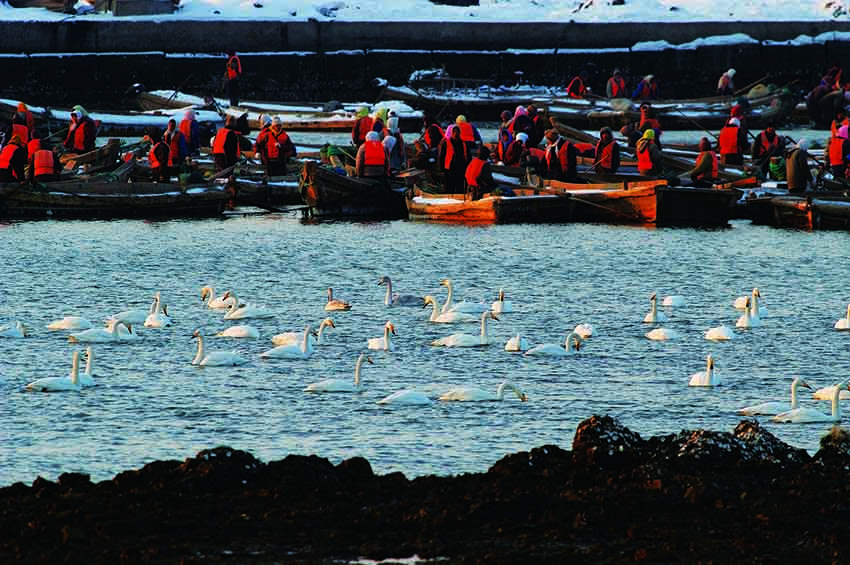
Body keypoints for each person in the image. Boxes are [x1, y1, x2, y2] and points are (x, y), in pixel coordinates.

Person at [438, 125, 469, 193]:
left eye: (457, 132)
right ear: (452, 133)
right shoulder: (446, 143)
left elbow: (468, 157)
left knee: (460, 190)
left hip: (460, 171)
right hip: (449, 170)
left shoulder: (464, 144)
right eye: (454, 132)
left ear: (459, 133)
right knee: (448, 190)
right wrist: (442, 169)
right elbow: (441, 157)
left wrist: (467, 170)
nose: (456, 134)